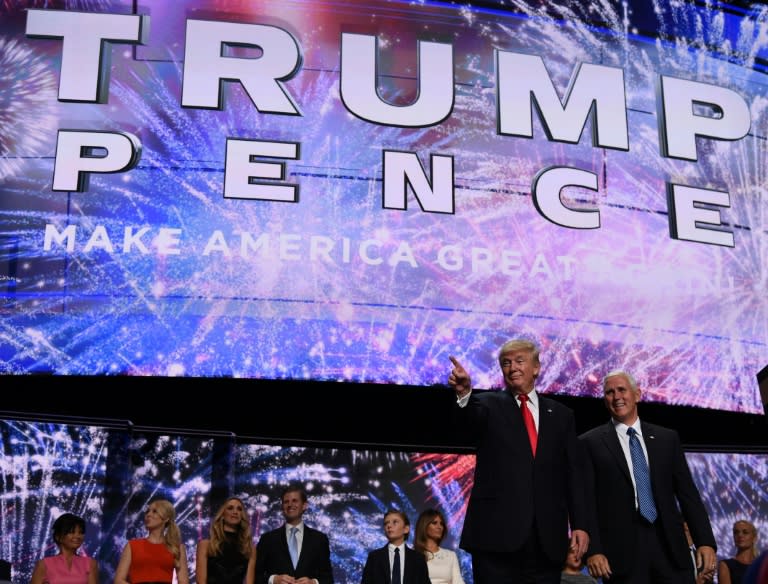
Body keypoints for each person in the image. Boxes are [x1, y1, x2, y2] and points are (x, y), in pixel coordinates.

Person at [447, 339, 590, 584]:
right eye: (506, 363)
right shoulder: (487, 404)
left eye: (519, 361)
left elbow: (573, 474)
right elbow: (468, 424)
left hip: (546, 540)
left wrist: (580, 524)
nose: (512, 367)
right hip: (496, 538)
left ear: (536, 368)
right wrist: (464, 395)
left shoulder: (562, 415)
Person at [580, 370, 717, 584]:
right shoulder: (590, 443)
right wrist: (594, 551)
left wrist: (705, 542)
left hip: (670, 548)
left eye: (622, 390)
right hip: (622, 553)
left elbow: (688, 495)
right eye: (609, 392)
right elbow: (586, 502)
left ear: (637, 394)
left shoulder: (667, 438)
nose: (617, 397)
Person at [254, 484, 333, 584]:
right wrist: (273, 579)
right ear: (282, 507)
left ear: (304, 505)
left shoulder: (320, 539)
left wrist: (313, 582)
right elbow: (256, 575)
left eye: (295, 500)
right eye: (286, 502)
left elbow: (328, 579)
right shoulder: (267, 539)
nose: (290, 505)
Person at [114, 498, 190, 584]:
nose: (148, 515)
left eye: (154, 511)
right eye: (147, 511)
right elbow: (118, 580)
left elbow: (183, 581)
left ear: (166, 519)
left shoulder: (177, 548)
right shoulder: (132, 546)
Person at [360, 509, 431, 584]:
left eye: (395, 522)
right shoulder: (374, 557)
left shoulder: (418, 558)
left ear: (406, 529)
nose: (389, 526)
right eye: (386, 523)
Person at [197, 497, 257, 584]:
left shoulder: (249, 549)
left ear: (242, 516)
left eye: (239, 509)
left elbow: (249, 582)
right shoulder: (206, 545)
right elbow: (201, 581)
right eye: (230, 508)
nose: (235, 512)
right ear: (222, 515)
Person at [30, 513, 99, 584]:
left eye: (81, 532)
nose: (77, 536)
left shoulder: (90, 563)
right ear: (58, 537)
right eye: (71, 532)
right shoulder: (43, 565)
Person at [413, 508, 465, 584]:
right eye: (434, 523)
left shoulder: (451, 555)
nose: (439, 527)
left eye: (441, 524)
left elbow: (458, 581)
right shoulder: (413, 554)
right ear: (424, 525)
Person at [719, 520, 759, 584]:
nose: (740, 535)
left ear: (754, 538)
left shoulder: (761, 565)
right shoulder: (726, 565)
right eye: (736, 532)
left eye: (745, 532)